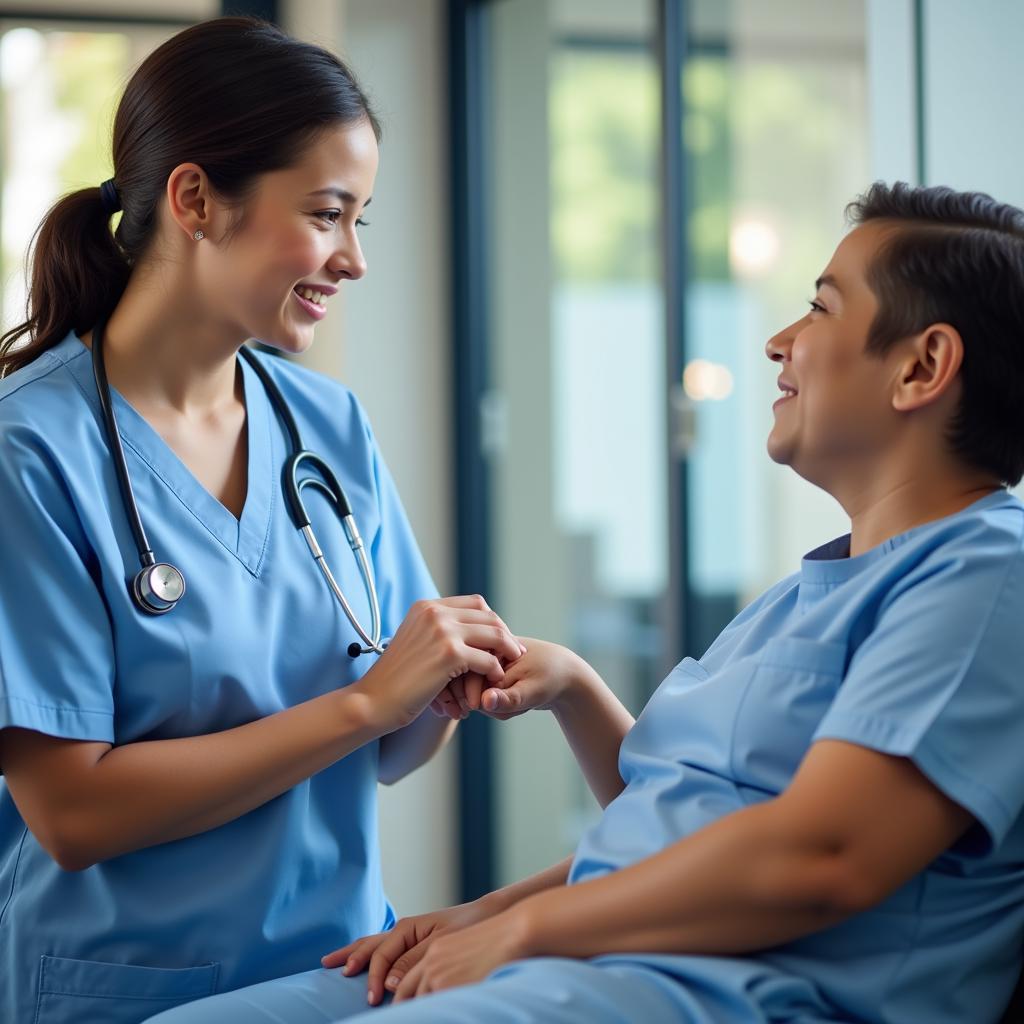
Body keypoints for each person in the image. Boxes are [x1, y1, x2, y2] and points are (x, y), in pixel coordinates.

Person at [147, 181, 1024, 1024]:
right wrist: (492, 902)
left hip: (727, 993)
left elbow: (822, 859)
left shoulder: (987, 579)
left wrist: (527, 929)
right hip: (614, 963)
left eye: (823, 308)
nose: (780, 341)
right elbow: (668, 818)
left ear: (923, 366)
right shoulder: (814, 588)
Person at [0, 17, 524, 1024]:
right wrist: (366, 705)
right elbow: (72, 812)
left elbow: (387, 742)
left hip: (338, 975)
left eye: (361, 219)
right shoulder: (33, 452)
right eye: (328, 215)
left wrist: (435, 691)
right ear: (195, 199)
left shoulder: (326, 423)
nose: (354, 259)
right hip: (121, 991)